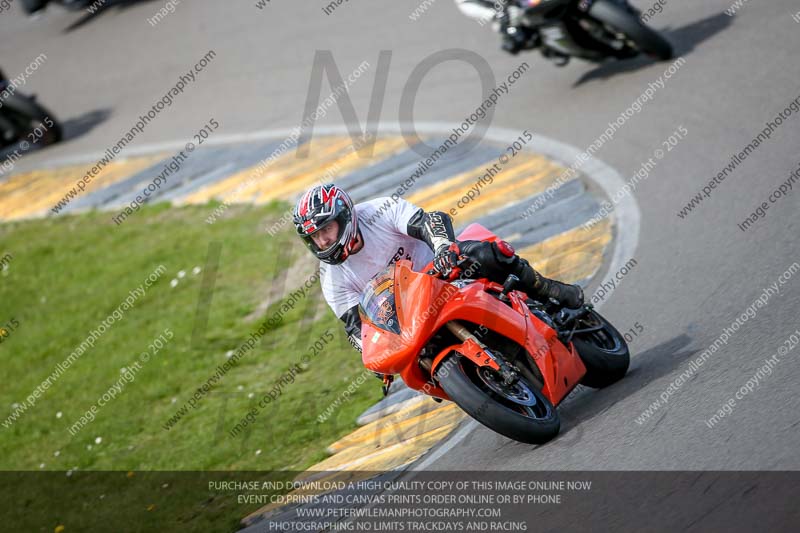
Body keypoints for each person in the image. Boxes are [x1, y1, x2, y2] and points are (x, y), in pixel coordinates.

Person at [292, 184, 583, 354]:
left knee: (486, 253)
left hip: (444, 272)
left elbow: (428, 221)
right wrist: (373, 355)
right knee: (414, 360)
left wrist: (444, 248)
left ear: (345, 216)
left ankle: (548, 291)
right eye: (314, 237)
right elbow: (356, 327)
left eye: (326, 229)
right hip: (411, 318)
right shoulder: (330, 278)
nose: (323, 240)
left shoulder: (378, 212)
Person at [454, 0, 530, 55]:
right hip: (500, 9)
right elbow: (474, 9)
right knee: (506, 18)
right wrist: (496, 14)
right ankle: (514, 36)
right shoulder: (466, 4)